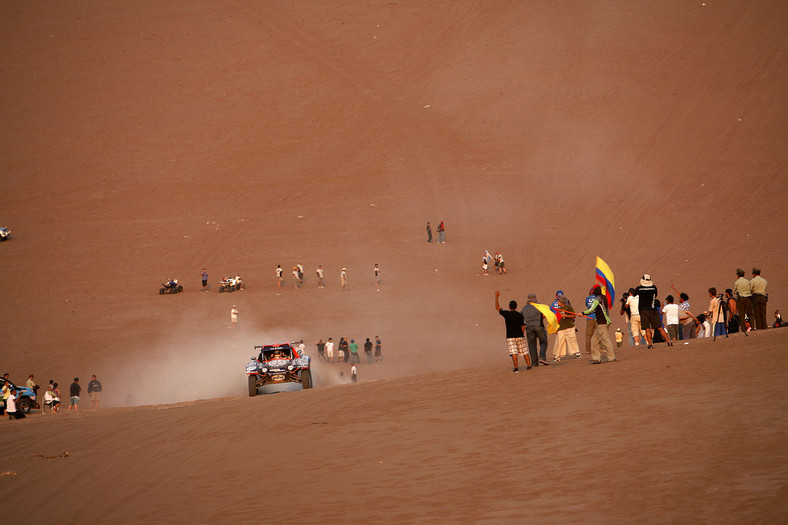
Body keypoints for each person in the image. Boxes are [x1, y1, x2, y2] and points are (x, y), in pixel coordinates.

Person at [495, 291, 531, 373]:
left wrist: (496, 297)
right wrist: (522, 334)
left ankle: (516, 368)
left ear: (509, 307)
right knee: (525, 351)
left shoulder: (507, 314)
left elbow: (497, 307)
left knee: (514, 352)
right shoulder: (520, 315)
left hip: (510, 336)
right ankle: (529, 366)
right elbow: (523, 326)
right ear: (516, 306)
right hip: (519, 335)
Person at [636, 274, 673, 349]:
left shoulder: (639, 288)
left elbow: (634, 294)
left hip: (643, 310)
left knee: (647, 328)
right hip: (653, 309)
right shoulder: (654, 288)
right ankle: (669, 341)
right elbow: (655, 296)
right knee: (659, 327)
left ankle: (650, 345)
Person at [582, 285, 616, 364]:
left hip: (602, 322)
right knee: (594, 340)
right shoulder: (604, 297)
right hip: (603, 322)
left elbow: (591, 309)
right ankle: (596, 358)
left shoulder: (597, 299)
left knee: (605, 340)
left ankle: (611, 357)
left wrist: (583, 313)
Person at [521, 294, 549, 366]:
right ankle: (542, 357)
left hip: (528, 328)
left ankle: (534, 363)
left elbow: (522, 319)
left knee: (532, 345)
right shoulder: (539, 306)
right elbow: (544, 315)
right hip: (539, 326)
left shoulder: (524, 308)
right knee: (543, 342)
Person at [553, 295, 581, 361]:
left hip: (569, 327)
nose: (557, 302)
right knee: (560, 342)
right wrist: (556, 329)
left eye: (558, 300)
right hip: (561, 328)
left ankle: (576, 352)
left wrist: (565, 315)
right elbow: (557, 319)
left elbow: (574, 315)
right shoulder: (559, 309)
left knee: (572, 340)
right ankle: (558, 356)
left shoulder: (568, 307)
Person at [584, 288, 597, 354]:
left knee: (589, 334)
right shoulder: (598, 298)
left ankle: (588, 349)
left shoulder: (587, 298)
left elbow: (587, 305)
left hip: (589, 317)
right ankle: (600, 348)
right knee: (599, 333)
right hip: (597, 317)